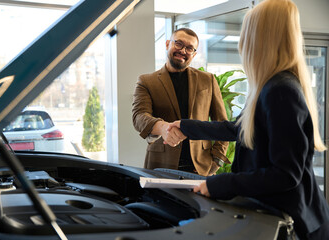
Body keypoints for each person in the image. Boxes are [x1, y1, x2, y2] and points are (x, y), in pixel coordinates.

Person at [165, 0, 329, 239]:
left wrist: (220, 184)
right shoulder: (270, 85)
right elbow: (237, 129)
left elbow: (285, 174)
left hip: (296, 225)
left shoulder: (280, 90)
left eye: (246, 33)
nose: (242, 42)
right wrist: (185, 126)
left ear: (259, 39)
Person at [132, 28, 228, 176]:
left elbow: (222, 124)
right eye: (178, 44)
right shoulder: (146, 81)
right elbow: (139, 117)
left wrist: (217, 161)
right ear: (167, 44)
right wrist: (163, 128)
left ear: (194, 54)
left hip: (201, 168)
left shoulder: (208, 80)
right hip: (160, 165)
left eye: (189, 48)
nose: (183, 50)